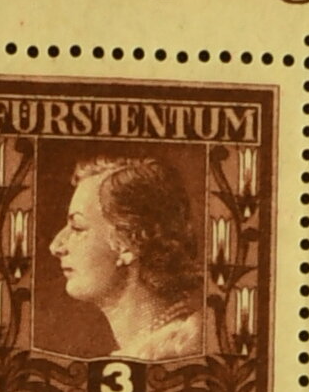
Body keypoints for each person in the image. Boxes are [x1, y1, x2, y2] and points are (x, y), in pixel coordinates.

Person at [48, 152, 212, 371]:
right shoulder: (143, 351)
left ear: (127, 242)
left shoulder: (181, 354)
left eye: (77, 227)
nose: (56, 246)